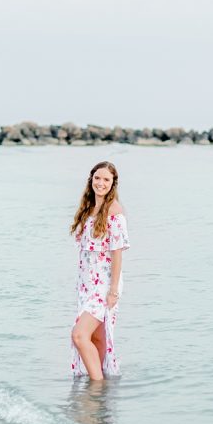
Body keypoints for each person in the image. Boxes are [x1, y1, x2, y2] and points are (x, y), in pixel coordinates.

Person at [69, 161, 131, 380]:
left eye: (106, 179)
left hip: (104, 284)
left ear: (113, 183)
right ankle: (102, 392)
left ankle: (97, 387)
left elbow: (117, 253)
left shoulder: (114, 211)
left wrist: (113, 290)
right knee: (96, 339)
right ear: (91, 179)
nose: (101, 183)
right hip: (86, 282)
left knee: (78, 335)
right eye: (97, 178)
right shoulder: (88, 207)